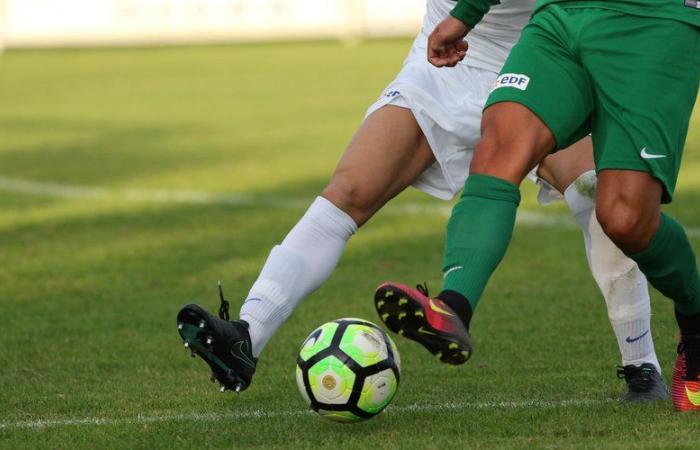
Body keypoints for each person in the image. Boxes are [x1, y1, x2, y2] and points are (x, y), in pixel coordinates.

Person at [176, 0, 666, 402]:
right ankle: (246, 335)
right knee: (349, 191)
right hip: (448, 58)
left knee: (597, 198)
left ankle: (641, 365)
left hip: (546, 53)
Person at [377, 0, 699, 411]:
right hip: (561, 16)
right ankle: (452, 306)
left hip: (653, 21)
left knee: (624, 219)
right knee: (500, 143)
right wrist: (466, 12)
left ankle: (694, 322)